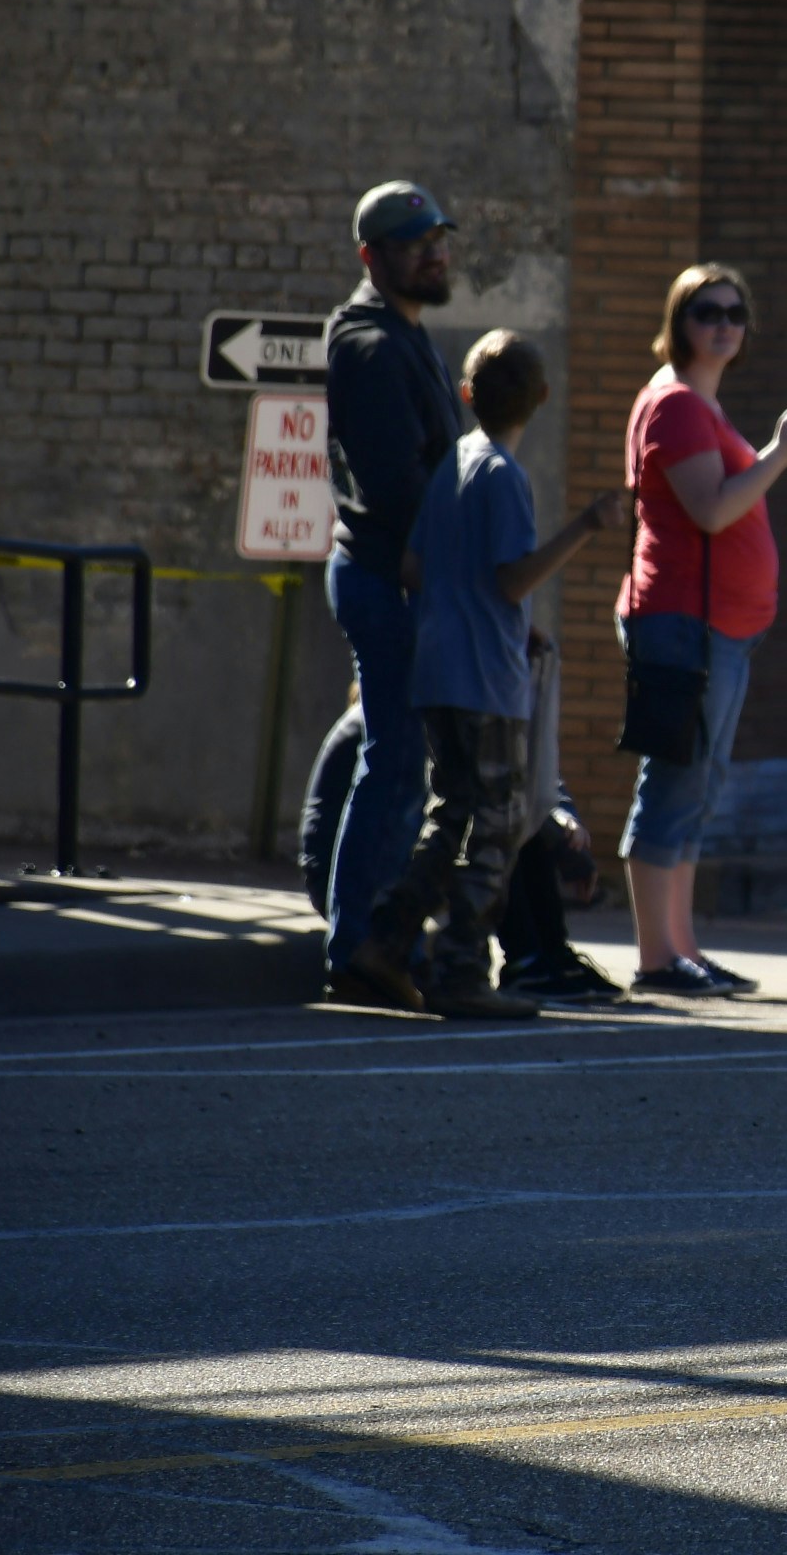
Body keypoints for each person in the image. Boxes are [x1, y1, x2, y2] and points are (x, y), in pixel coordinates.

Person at [342, 329, 625, 1018]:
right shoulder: (503, 474)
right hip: (488, 683)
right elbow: (510, 579)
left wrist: (471, 603)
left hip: (438, 673)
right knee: (494, 832)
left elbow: (414, 569)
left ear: (467, 396)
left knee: (453, 819)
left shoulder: (452, 468)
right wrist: (588, 523)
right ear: (543, 399)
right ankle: (460, 969)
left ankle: (384, 939)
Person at [618, 264, 787, 996]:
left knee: (697, 788)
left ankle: (683, 949)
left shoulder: (699, 405)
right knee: (673, 784)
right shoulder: (675, 406)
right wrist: (781, 455)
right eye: (707, 311)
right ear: (680, 321)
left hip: (718, 629)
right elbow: (710, 510)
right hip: (683, 623)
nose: (725, 323)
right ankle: (655, 958)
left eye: (736, 312)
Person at [319, 181, 466, 1006]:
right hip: (390, 579)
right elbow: (398, 491)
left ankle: (373, 942)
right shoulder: (372, 345)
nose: (434, 251)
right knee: (397, 763)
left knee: (402, 764)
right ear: (372, 257)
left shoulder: (406, 334)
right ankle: (359, 946)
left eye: (438, 237)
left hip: (405, 579)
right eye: (415, 242)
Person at [300, 684, 622, 1004]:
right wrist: (558, 835)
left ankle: (547, 956)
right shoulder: (417, 714)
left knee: (510, 815)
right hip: (344, 877)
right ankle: (525, 961)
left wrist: (563, 821)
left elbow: (530, 776)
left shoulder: (411, 708)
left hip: (371, 867)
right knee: (496, 818)